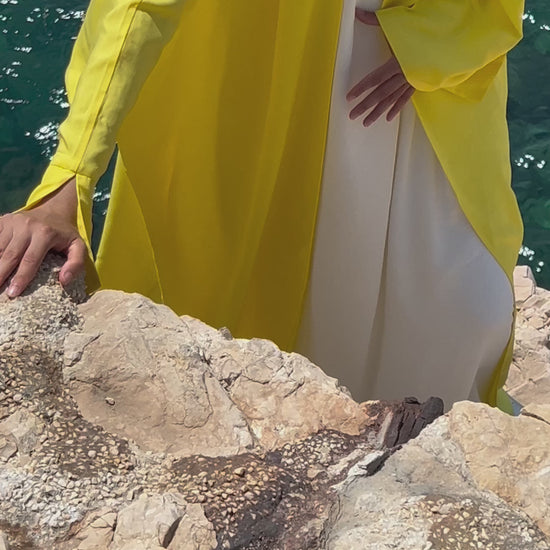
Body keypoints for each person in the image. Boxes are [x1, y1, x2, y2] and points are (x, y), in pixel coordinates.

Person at [0, 0, 524, 410]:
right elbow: (137, 9)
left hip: (414, 89)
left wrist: (442, 38)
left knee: (466, 312)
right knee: (297, 315)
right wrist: (70, 176)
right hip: (280, 88)